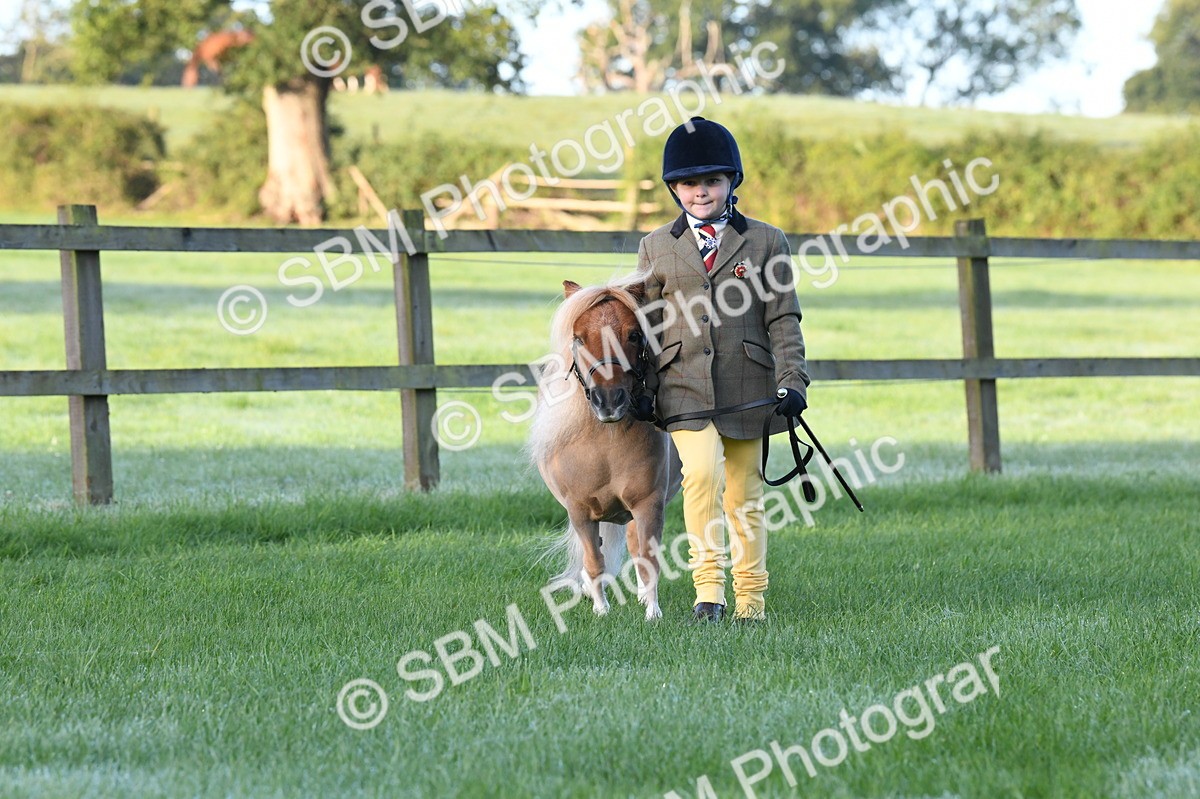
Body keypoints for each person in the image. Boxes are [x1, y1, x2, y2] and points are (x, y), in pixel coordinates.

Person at [637, 116, 810, 622]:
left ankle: (750, 601)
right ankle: (707, 592)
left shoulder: (766, 241)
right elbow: (648, 325)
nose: (700, 192)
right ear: (674, 188)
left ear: (732, 181)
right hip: (683, 385)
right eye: (689, 183)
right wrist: (646, 388)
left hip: (749, 386)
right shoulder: (656, 246)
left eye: (711, 181)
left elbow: (784, 316)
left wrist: (792, 380)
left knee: (745, 495)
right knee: (701, 474)